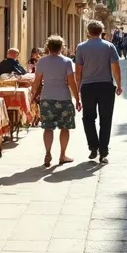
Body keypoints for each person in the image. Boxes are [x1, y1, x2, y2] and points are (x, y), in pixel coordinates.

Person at [74, 20, 123, 164]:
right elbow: (115, 67)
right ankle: (103, 151)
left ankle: (93, 146)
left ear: (88, 32)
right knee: (105, 119)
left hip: (88, 87)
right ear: (102, 31)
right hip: (106, 87)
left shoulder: (81, 47)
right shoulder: (109, 46)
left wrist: (78, 90)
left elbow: (78, 72)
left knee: (88, 118)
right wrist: (119, 85)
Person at [30, 35, 79, 168]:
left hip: (47, 98)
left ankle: (47, 152)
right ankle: (62, 155)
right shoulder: (67, 61)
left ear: (47, 47)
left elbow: (37, 81)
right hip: (63, 97)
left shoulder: (41, 62)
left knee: (48, 127)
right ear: (62, 47)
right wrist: (77, 98)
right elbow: (71, 82)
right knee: (64, 128)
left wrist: (32, 96)